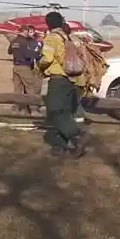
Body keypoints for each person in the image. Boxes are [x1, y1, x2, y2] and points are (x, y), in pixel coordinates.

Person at [38, 11, 87, 158]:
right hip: (69, 79)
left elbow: (46, 58)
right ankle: (61, 146)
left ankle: (76, 136)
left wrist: (38, 64)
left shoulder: (52, 38)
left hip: (58, 78)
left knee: (54, 111)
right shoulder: (67, 36)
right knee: (64, 111)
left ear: (48, 23)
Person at [8, 25, 42, 115]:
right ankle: (34, 109)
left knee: (17, 89)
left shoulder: (14, 41)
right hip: (24, 66)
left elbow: (9, 51)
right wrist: (36, 54)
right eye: (27, 32)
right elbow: (27, 55)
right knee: (30, 87)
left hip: (15, 67)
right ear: (24, 31)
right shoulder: (25, 42)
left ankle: (17, 108)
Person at [62, 22, 88, 124]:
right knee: (76, 99)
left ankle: (78, 118)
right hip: (80, 78)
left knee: (73, 100)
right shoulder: (78, 41)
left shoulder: (67, 42)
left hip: (72, 78)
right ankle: (78, 118)